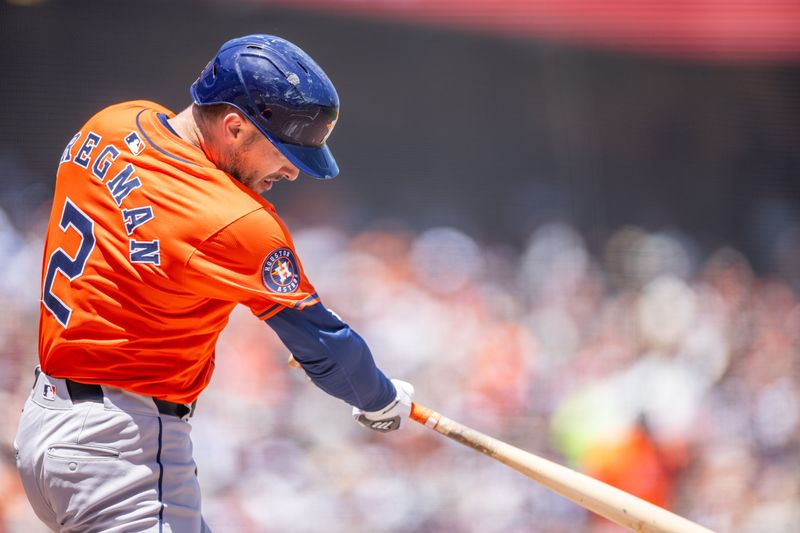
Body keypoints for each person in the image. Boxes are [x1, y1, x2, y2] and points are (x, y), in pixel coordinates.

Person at [14, 34, 414, 532]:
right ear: (233, 126)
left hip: (48, 428)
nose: (293, 170)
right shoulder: (235, 218)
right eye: (285, 151)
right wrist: (378, 400)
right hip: (121, 448)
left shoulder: (111, 123)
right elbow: (328, 349)